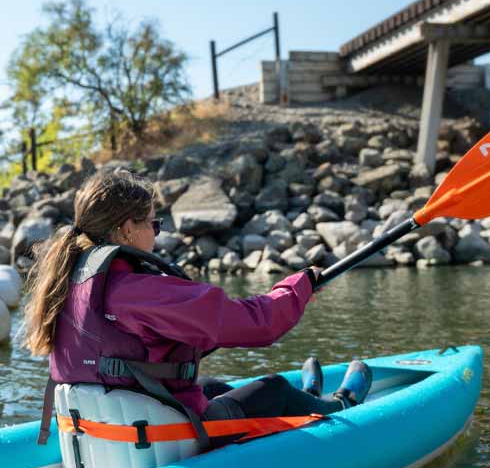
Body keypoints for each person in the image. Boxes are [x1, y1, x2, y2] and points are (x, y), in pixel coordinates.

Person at [24, 168, 371, 446]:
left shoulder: (69, 284)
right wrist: (300, 286)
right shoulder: (136, 291)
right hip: (157, 436)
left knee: (213, 387)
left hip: (115, 426)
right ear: (128, 228)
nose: (155, 234)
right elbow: (258, 323)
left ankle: (307, 396)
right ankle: (341, 406)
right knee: (273, 387)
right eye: (153, 224)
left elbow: (131, 350)